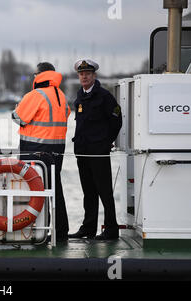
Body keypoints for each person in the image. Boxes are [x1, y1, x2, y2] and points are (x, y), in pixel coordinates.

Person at [12, 62, 71, 242]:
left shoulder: (35, 95)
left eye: (34, 74)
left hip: (35, 150)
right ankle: (61, 231)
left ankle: (36, 231)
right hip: (57, 151)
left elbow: (18, 118)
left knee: (34, 191)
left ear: (40, 75)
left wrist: (17, 108)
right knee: (55, 189)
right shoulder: (61, 96)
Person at [68, 59, 122, 240]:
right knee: (88, 192)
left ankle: (111, 230)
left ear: (94, 76)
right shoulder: (80, 96)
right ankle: (88, 228)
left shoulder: (104, 96)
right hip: (82, 151)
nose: (84, 77)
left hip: (98, 152)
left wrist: (106, 141)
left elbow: (116, 119)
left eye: (88, 74)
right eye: (81, 74)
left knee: (104, 191)